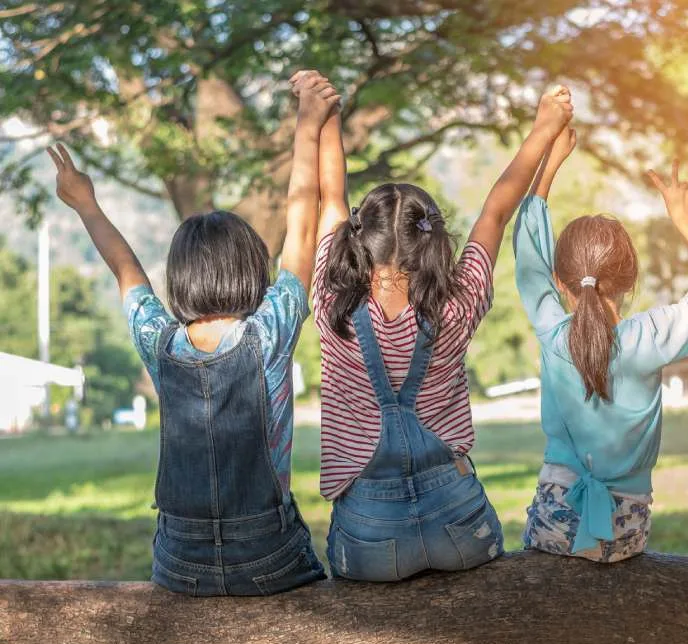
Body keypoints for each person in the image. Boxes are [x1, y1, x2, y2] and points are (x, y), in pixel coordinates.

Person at [46, 71, 339, 595]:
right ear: (252, 271)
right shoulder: (269, 333)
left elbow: (126, 270)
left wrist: (85, 203)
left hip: (181, 564)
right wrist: (308, 123)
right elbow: (302, 220)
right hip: (267, 556)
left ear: (181, 277)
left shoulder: (161, 345)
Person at [309, 75, 574, 581]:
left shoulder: (331, 303)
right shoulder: (457, 302)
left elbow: (330, 199)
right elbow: (496, 211)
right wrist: (544, 129)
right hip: (459, 526)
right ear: (432, 241)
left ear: (359, 238)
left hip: (370, 537)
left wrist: (329, 117)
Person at [516, 129, 688, 562]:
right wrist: (684, 219)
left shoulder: (552, 332)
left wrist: (549, 166)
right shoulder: (650, 338)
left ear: (560, 283)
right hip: (626, 532)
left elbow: (528, 258)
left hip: (555, 522)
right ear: (629, 281)